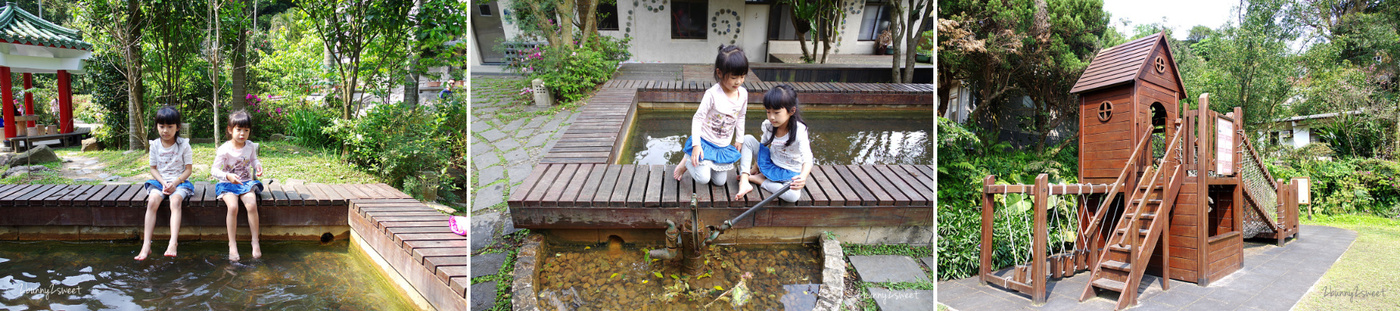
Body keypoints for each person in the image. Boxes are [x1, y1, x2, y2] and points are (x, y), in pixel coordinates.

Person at [673, 44, 748, 186]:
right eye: (733, 77)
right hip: (705, 142)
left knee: (719, 182)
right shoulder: (712, 94)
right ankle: (686, 161)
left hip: (722, 145)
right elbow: (698, 118)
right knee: (703, 179)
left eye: (742, 76)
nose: (739, 81)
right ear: (719, 73)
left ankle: (707, 165)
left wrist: (739, 139)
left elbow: (741, 116)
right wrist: (696, 145)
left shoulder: (743, 94)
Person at [733, 85, 812, 202]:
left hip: (789, 171)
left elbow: (808, 157)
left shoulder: (800, 130)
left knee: (793, 196)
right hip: (771, 162)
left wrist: (803, 177)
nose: (771, 117)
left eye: (776, 112)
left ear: (791, 111)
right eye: (768, 112)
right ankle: (745, 180)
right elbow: (762, 146)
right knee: (747, 139)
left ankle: (759, 180)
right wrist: (755, 167)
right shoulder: (768, 125)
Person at [135, 106, 194, 260]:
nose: (165, 131)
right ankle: (146, 244)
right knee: (152, 201)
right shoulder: (154, 145)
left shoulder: (183, 145)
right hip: (159, 182)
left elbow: (188, 170)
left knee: (175, 201)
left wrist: (175, 183)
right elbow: (153, 169)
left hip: (180, 182)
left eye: (170, 127)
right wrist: (163, 183)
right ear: (157, 126)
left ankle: (173, 242)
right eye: (161, 126)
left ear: (178, 127)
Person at [213, 110, 265, 261]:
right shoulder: (224, 149)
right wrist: (227, 175)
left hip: (245, 183)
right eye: (239, 130)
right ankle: (232, 244)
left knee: (251, 205)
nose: (242, 134)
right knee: (233, 207)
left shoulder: (250, 146)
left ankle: (255, 242)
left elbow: (253, 160)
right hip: (227, 184)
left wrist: (258, 165)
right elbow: (214, 170)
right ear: (230, 130)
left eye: (246, 130)